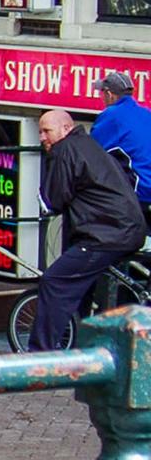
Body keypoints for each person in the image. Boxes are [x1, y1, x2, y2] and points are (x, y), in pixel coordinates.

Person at [31, 109, 149, 350]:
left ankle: (40, 352)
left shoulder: (65, 150)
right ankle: (79, 345)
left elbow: (55, 199)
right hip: (127, 229)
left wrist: (44, 202)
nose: (42, 137)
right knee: (82, 281)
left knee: (55, 280)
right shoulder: (88, 145)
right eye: (40, 132)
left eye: (46, 131)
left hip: (105, 235)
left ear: (65, 129)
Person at [92, 70, 151, 221]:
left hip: (139, 194)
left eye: (102, 93)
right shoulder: (146, 113)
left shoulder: (111, 115)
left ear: (109, 94)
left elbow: (91, 152)